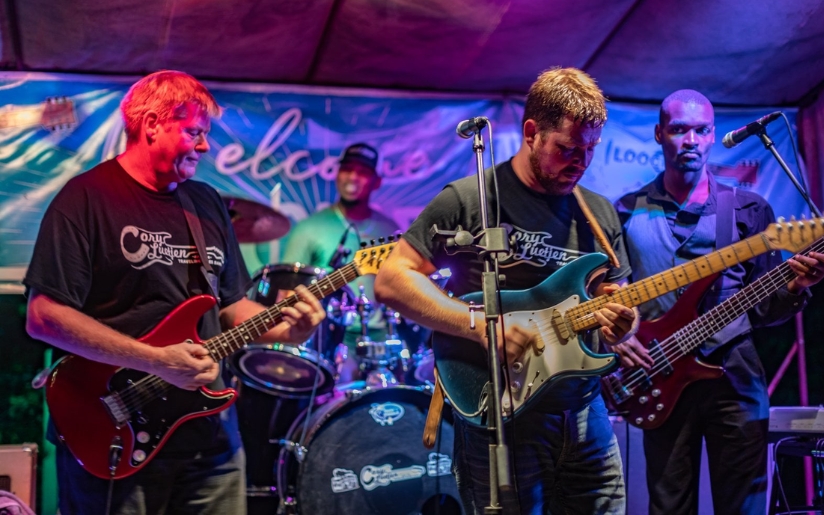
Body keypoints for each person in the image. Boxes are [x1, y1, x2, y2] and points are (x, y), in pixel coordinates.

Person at [23, 70, 326, 515]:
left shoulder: (205, 204)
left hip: (210, 439)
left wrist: (284, 329)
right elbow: (44, 316)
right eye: (195, 133)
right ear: (152, 125)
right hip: (114, 427)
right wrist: (156, 360)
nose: (205, 146)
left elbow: (229, 307)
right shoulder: (86, 198)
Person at [374, 67, 637, 514]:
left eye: (591, 150)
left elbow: (619, 299)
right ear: (532, 132)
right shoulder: (470, 198)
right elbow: (392, 279)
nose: (581, 162)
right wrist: (479, 325)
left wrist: (623, 326)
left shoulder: (598, 213)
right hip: (501, 411)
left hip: (585, 413)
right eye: (568, 149)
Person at [614, 89, 824, 515]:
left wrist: (793, 287)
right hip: (661, 377)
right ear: (660, 134)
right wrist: (618, 342)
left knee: (744, 506)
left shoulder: (748, 209)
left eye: (700, 130)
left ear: (713, 136)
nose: (690, 140)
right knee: (668, 506)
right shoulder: (625, 211)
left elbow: (764, 309)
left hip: (734, 377)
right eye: (679, 130)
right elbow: (614, 303)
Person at [281, 143, 400, 382]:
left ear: (376, 181)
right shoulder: (309, 228)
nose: (353, 177)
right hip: (327, 341)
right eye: (347, 169)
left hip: (381, 339)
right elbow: (285, 294)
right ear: (336, 174)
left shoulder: (390, 230)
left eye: (363, 172)